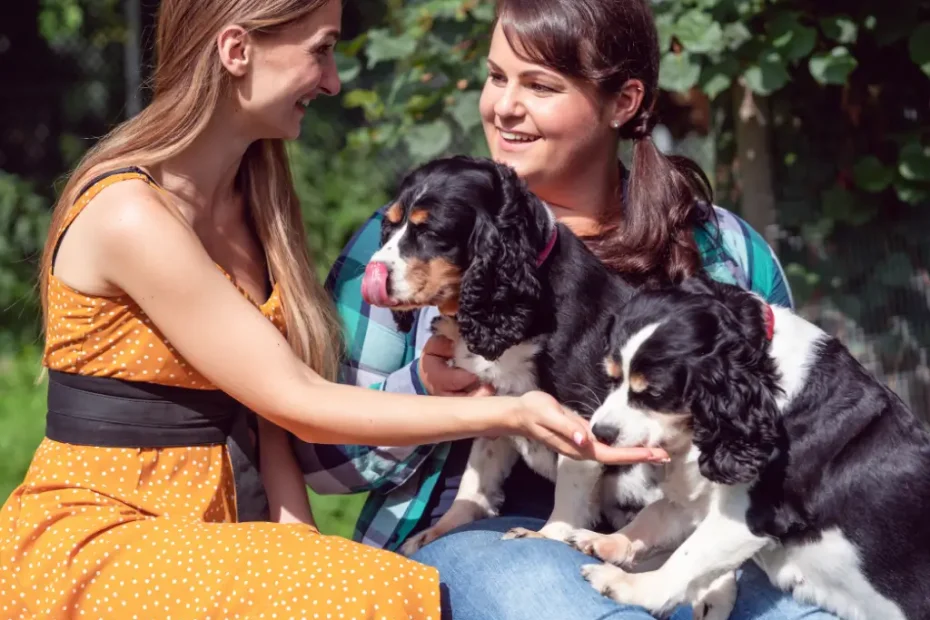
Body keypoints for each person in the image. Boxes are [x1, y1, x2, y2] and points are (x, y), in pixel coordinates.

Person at [0, 1, 665, 618]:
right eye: (321, 51)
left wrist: (304, 546)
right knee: (388, 592)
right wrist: (508, 408)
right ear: (236, 50)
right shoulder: (131, 214)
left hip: (215, 516)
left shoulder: (254, 210)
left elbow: (265, 423)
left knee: (351, 583)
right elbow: (296, 400)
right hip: (112, 522)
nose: (333, 81)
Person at [297, 0, 840, 619]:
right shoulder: (409, 242)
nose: (503, 105)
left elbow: (783, 435)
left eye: (540, 85)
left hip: (700, 537)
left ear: (624, 102)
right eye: (496, 76)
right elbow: (325, 464)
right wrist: (428, 392)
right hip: (483, 539)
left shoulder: (722, 247)